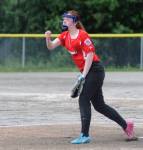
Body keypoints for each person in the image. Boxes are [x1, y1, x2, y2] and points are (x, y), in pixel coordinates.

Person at [45, 10, 135, 144]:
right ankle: (126, 125)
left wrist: (83, 75)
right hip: (88, 72)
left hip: (95, 70)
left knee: (83, 99)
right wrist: (47, 37)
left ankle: (84, 135)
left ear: (74, 21)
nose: (64, 20)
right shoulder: (64, 36)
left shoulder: (82, 35)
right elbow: (51, 46)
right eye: (64, 18)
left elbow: (91, 55)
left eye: (67, 18)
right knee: (99, 106)